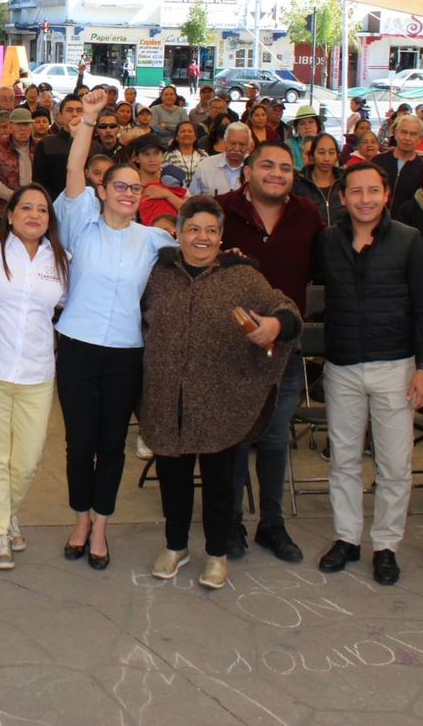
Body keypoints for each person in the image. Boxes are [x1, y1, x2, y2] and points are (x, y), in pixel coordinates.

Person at [143, 196, 301, 589]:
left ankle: (216, 554)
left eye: (211, 231)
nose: (202, 237)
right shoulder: (157, 274)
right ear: (177, 233)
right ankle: (175, 545)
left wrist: (276, 326)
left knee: (219, 483)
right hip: (166, 397)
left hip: (221, 399)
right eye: (193, 229)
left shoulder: (242, 277)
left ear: (221, 237)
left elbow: (286, 308)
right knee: (173, 478)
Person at [55, 87, 177, 568]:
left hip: (127, 354)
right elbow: (72, 172)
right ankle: (80, 518)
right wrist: (87, 119)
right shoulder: (80, 225)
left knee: (111, 445)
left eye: (135, 188)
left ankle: (101, 524)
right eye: (119, 186)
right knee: (78, 443)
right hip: (78, 348)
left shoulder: (153, 240)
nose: (128, 193)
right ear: (101, 191)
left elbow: (198, 252)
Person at [314, 162, 423, 585]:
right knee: (344, 460)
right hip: (342, 365)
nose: (364, 199)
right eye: (355, 192)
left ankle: (386, 545)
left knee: (395, 464)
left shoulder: (409, 240)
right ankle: (347, 538)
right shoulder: (328, 240)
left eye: (373, 191)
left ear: (386, 195)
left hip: (395, 365)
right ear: (342, 198)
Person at [213, 139, 324, 562]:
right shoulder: (222, 210)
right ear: (248, 172)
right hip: (231, 347)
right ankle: (232, 522)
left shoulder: (307, 215)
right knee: (236, 438)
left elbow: (323, 269)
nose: (277, 174)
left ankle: (272, 524)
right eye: (268, 166)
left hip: (285, 348)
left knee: (276, 439)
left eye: (285, 168)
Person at [0, 184, 68, 569]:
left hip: (37, 373)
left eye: (42, 210)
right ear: (9, 215)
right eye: (25, 208)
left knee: (26, 461)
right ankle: (0, 531)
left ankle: (8, 513)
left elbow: (64, 305)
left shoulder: (61, 260)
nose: (34, 215)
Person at [0, 108, 34, 233]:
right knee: (0, 250)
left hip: (33, 212)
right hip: (3, 212)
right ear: (11, 126)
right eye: (19, 125)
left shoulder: (40, 146)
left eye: (26, 124)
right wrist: (14, 197)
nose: (23, 129)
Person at [375, 112, 423, 217]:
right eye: (403, 132)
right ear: (395, 134)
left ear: (420, 139)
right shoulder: (378, 161)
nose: (407, 138)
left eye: (413, 134)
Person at [294, 132, 347, 227]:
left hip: (343, 239)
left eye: (331, 153)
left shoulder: (346, 181)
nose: (327, 158)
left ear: (337, 156)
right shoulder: (298, 183)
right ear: (312, 156)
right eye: (321, 152)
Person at [190, 122, 251, 196]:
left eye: (242, 144)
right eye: (232, 143)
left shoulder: (256, 168)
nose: (236, 149)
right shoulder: (205, 166)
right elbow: (192, 198)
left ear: (248, 146)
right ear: (224, 143)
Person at [161, 122, 208, 191]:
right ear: (176, 137)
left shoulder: (203, 155)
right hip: (176, 195)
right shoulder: (169, 155)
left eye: (190, 131)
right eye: (183, 131)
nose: (186, 134)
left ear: (195, 137)